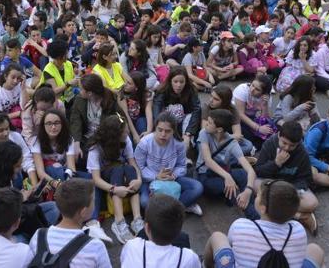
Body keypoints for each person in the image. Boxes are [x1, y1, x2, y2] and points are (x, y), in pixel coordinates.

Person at [204, 180, 325, 268]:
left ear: (262, 208)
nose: (256, 197)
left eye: (258, 196)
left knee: (217, 237)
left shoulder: (240, 226)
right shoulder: (298, 230)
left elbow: (231, 245)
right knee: (315, 250)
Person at [0, 141, 59, 236]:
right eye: (17, 166)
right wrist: (19, 199)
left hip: (19, 218)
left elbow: (25, 205)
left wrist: (33, 194)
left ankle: (34, 236)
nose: (20, 169)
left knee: (54, 207)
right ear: (5, 167)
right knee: (19, 239)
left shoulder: (15, 177)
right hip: (0, 231)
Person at [28, 178, 111, 268]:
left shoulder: (39, 235)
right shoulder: (95, 246)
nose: (94, 204)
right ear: (83, 212)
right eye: (93, 201)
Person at [254, 121, 319, 235]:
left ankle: (274, 214)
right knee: (255, 184)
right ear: (279, 135)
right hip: (271, 185)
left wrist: (291, 189)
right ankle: (299, 215)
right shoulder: (269, 144)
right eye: (284, 143)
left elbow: (306, 179)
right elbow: (259, 171)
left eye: (292, 145)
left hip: (291, 187)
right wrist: (276, 163)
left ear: (298, 143)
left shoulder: (302, 152)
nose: (287, 147)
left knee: (312, 203)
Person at [87, 114, 143, 244]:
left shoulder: (126, 140)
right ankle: (119, 222)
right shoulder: (95, 148)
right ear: (114, 135)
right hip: (106, 177)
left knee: (129, 169)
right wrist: (114, 189)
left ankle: (137, 219)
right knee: (118, 169)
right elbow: (95, 178)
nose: (127, 132)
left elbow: (133, 164)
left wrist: (138, 180)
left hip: (123, 172)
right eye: (124, 131)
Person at [134, 112, 204, 215]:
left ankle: (171, 209)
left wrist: (173, 175)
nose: (163, 134)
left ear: (173, 131)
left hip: (171, 178)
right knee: (144, 202)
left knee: (197, 187)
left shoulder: (178, 144)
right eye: (160, 130)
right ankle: (180, 207)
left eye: (167, 131)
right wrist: (156, 176)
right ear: (155, 128)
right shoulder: (145, 143)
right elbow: (139, 167)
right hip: (149, 180)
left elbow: (181, 165)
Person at [196, 108, 259, 220]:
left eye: (210, 123)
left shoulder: (231, 142)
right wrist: (227, 176)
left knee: (244, 175)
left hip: (223, 171)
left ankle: (253, 208)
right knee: (229, 187)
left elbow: (250, 171)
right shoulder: (204, 133)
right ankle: (253, 217)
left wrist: (248, 190)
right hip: (205, 174)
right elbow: (208, 161)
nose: (206, 124)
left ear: (219, 129)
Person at [120, 194, 201, 268]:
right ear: (178, 231)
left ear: (146, 228)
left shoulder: (132, 246)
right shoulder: (189, 257)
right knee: (184, 238)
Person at [152, 66, 201, 148]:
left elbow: (197, 109)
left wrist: (189, 132)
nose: (178, 85)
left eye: (182, 82)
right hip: (167, 119)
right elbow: (157, 107)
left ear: (186, 82)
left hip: (186, 120)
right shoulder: (163, 90)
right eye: (175, 81)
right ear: (170, 81)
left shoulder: (191, 90)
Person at [232, 75, 274, 150]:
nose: (252, 89)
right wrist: (258, 128)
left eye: (257, 89)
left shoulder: (266, 97)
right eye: (252, 85)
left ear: (263, 93)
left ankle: (255, 146)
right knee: (250, 136)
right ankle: (252, 147)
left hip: (249, 116)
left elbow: (264, 119)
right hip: (234, 115)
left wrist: (264, 105)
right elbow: (240, 114)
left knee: (267, 132)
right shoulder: (242, 89)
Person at [38, 40, 79, 105]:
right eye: (66, 53)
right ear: (60, 57)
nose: (68, 54)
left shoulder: (68, 64)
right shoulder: (48, 70)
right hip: (53, 102)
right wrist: (68, 84)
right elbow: (54, 91)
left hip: (68, 98)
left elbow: (73, 80)